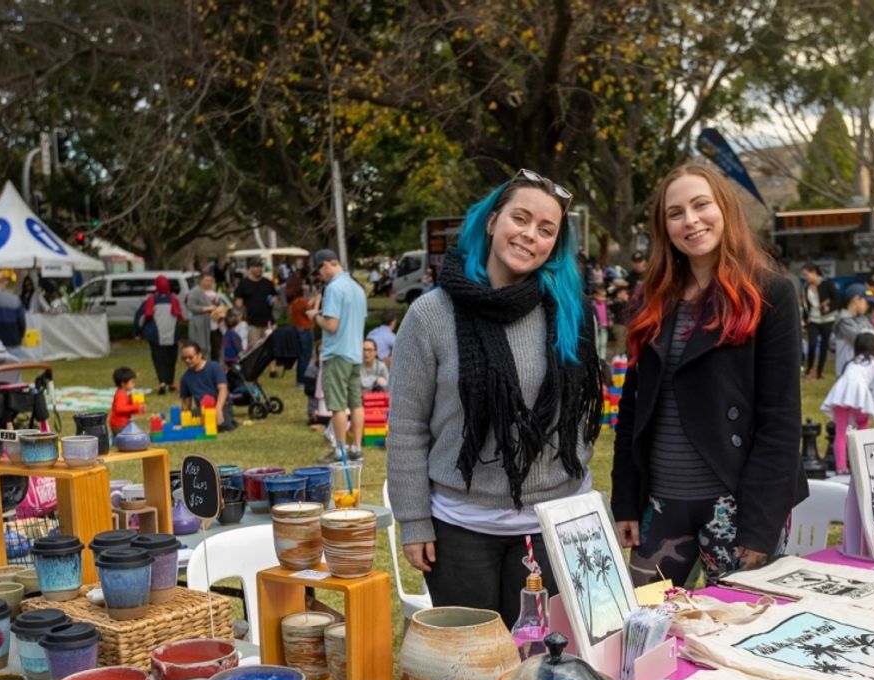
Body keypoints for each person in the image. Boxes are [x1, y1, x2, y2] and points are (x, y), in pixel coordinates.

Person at [389, 168, 601, 622]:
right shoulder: (431, 314)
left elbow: (578, 420)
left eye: (546, 230)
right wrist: (413, 520)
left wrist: (585, 510)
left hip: (556, 526)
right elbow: (406, 425)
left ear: (556, 244)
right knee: (474, 671)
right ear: (491, 221)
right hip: (461, 529)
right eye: (520, 219)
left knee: (546, 667)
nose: (530, 236)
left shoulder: (571, 314)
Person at [611, 163, 804, 588]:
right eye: (675, 213)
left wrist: (760, 524)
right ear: (664, 228)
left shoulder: (770, 293)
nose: (691, 221)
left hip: (736, 506)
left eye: (701, 205)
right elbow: (632, 408)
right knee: (644, 633)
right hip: (661, 505)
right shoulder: (653, 298)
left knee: (735, 636)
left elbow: (781, 420)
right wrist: (626, 499)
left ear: (725, 210)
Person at [307, 249, 368, 462]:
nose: (319, 276)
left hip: (337, 353)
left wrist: (316, 317)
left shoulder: (333, 288)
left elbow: (332, 325)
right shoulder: (357, 288)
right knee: (356, 403)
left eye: (319, 271)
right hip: (355, 353)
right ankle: (357, 448)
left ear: (326, 265)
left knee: (337, 405)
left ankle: (340, 449)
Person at [821, 332, 874, 474]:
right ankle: (863, 465)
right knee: (862, 426)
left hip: (841, 394)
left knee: (841, 431)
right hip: (860, 394)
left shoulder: (851, 362)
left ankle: (841, 467)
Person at [135, 275, 184, 395]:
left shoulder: (150, 300)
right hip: (173, 336)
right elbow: (180, 317)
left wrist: (137, 332)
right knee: (171, 360)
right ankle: (170, 382)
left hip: (155, 336)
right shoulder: (174, 300)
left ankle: (162, 382)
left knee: (159, 360)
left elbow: (140, 317)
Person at [178, 340, 236, 430]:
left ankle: (227, 420)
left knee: (222, 423)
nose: (187, 360)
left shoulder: (214, 367)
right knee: (194, 420)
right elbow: (186, 404)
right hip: (202, 410)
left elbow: (223, 389)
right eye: (184, 358)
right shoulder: (185, 378)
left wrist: (218, 408)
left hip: (222, 406)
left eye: (190, 357)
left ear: (199, 355)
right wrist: (184, 419)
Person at [800, 263, 838, 379]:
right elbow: (807, 306)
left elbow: (837, 299)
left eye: (807, 274)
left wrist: (828, 307)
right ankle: (809, 369)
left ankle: (819, 372)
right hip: (813, 319)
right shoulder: (806, 287)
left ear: (814, 272)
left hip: (827, 319)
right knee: (812, 344)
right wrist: (804, 319)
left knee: (824, 346)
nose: (805, 277)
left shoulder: (827, 284)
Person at [832, 283, 874, 375]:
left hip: (863, 369)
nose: (868, 306)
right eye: (866, 302)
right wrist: (871, 337)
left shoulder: (863, 319)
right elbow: (864, 341)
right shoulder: (843, 321)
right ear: (855, 300)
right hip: (846, 371)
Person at [184, 273, 218, 358]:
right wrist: (206, 308)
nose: (209, 283)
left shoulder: (212, 292)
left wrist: (216, 304)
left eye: (210, 281)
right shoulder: (195, 291)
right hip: (198, 324)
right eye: (206, 280)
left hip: (212, 324)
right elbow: (191, 306)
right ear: (201, 280)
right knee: (200, 347)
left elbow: (215, 306)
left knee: (210, 348)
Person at [234, 265, 278, 330]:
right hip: (252, 324)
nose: (258, 269)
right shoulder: (243, 284)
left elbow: (275, 297)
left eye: (260, 267)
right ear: (250, 269)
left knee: (272, 340)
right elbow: (238, 303)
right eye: (256, 267)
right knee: (254, 340)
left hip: (268, 322)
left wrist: (274, 300)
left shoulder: (267, 282)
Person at [288, 282, 315, 384]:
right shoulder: (301, 301)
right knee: (306, 356)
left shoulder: (293, 302)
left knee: (302, 356)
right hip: (305, 329)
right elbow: (311, 311)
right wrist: (315, 300)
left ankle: (300, 379)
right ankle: (302, 380)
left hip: (297, 329)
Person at [109, 366, 144, 435]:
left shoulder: (124, 393)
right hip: (119, 425)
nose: (134, 384)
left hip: (122, 424)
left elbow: (126, 408)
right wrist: (136, 407)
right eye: (132, 382)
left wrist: (137, 408)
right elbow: (120, 408)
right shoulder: (121, 394)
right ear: (123, 383)